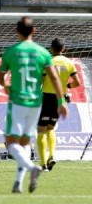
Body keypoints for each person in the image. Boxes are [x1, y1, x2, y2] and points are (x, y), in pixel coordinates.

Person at [0, 17, 68, 193]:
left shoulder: (10, 52)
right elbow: (53, 77)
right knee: (25, 142)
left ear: (17, 31)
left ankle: (32, 168)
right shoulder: (43, 53)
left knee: (11, 142)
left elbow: (0, 79)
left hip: (17, 101)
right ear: (34, 31)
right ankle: (18, 183)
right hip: (36, 102)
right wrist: (61, 102)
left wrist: (7, 86)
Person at [37, 38, 81, 171]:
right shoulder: (69, 63)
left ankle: (43, 163)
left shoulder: (47, 61)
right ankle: (52, 155)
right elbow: (77, 83)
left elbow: (40, 79)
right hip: (60, 99)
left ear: (51, 48)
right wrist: (67, 85)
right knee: (51, 128)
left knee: (41, 130)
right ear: (64, 49)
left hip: (47, 98)